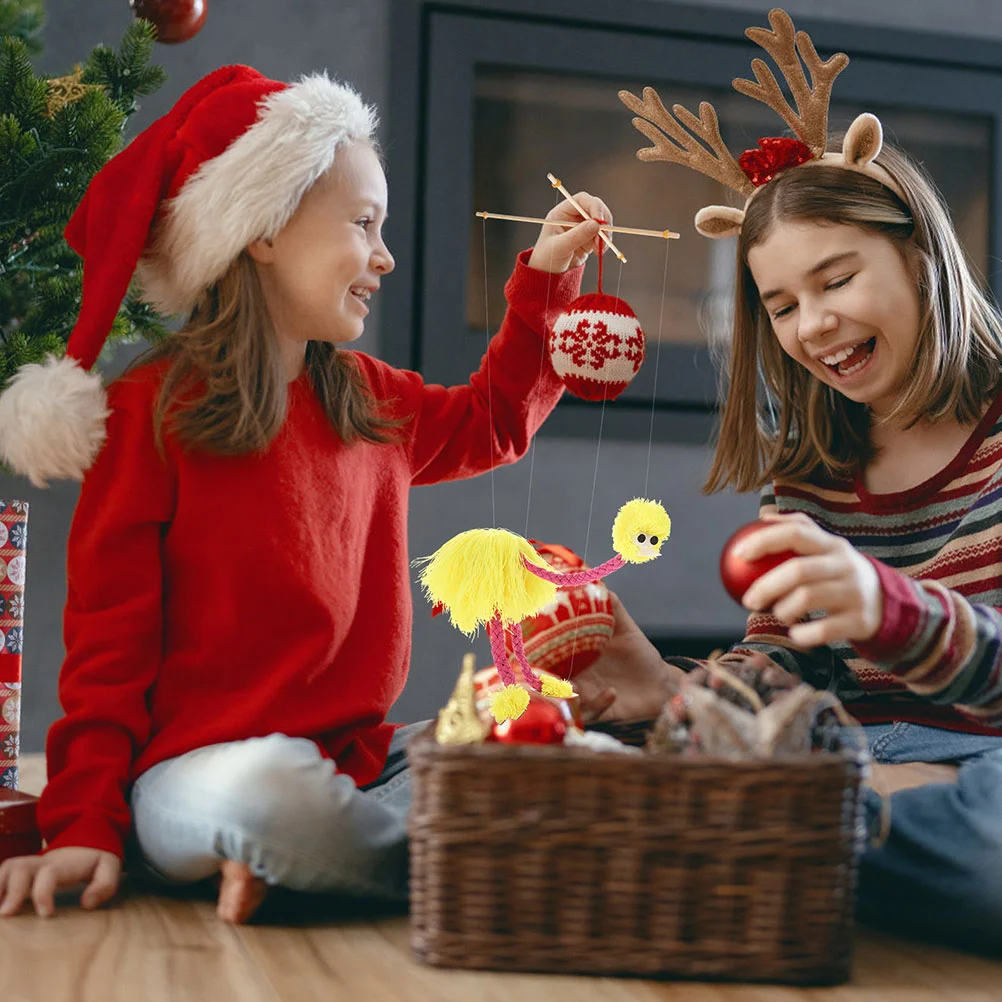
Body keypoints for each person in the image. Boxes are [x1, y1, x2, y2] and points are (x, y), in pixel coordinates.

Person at [0, 65, 612, 923]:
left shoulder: (372, 400)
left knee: (550, 745)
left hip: (359, 767)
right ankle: (444, 859)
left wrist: (548, 276)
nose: (385, 256)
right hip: (197, 777)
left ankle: (312, 866)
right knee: (268, 795)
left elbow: (496, 421)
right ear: (264, 229)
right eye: (363, 223)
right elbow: (107, 658)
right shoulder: (151, 415)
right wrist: (82, 828)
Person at [575, 130, 1002, 952]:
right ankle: (827, 834)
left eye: (837, 279)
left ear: (919, 257)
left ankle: (791, 845)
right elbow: (787, 663)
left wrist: (893, 611)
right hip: (851, 754)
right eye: (782, 306)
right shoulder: (813, 467)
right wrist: (671, 689)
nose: (815, 324)